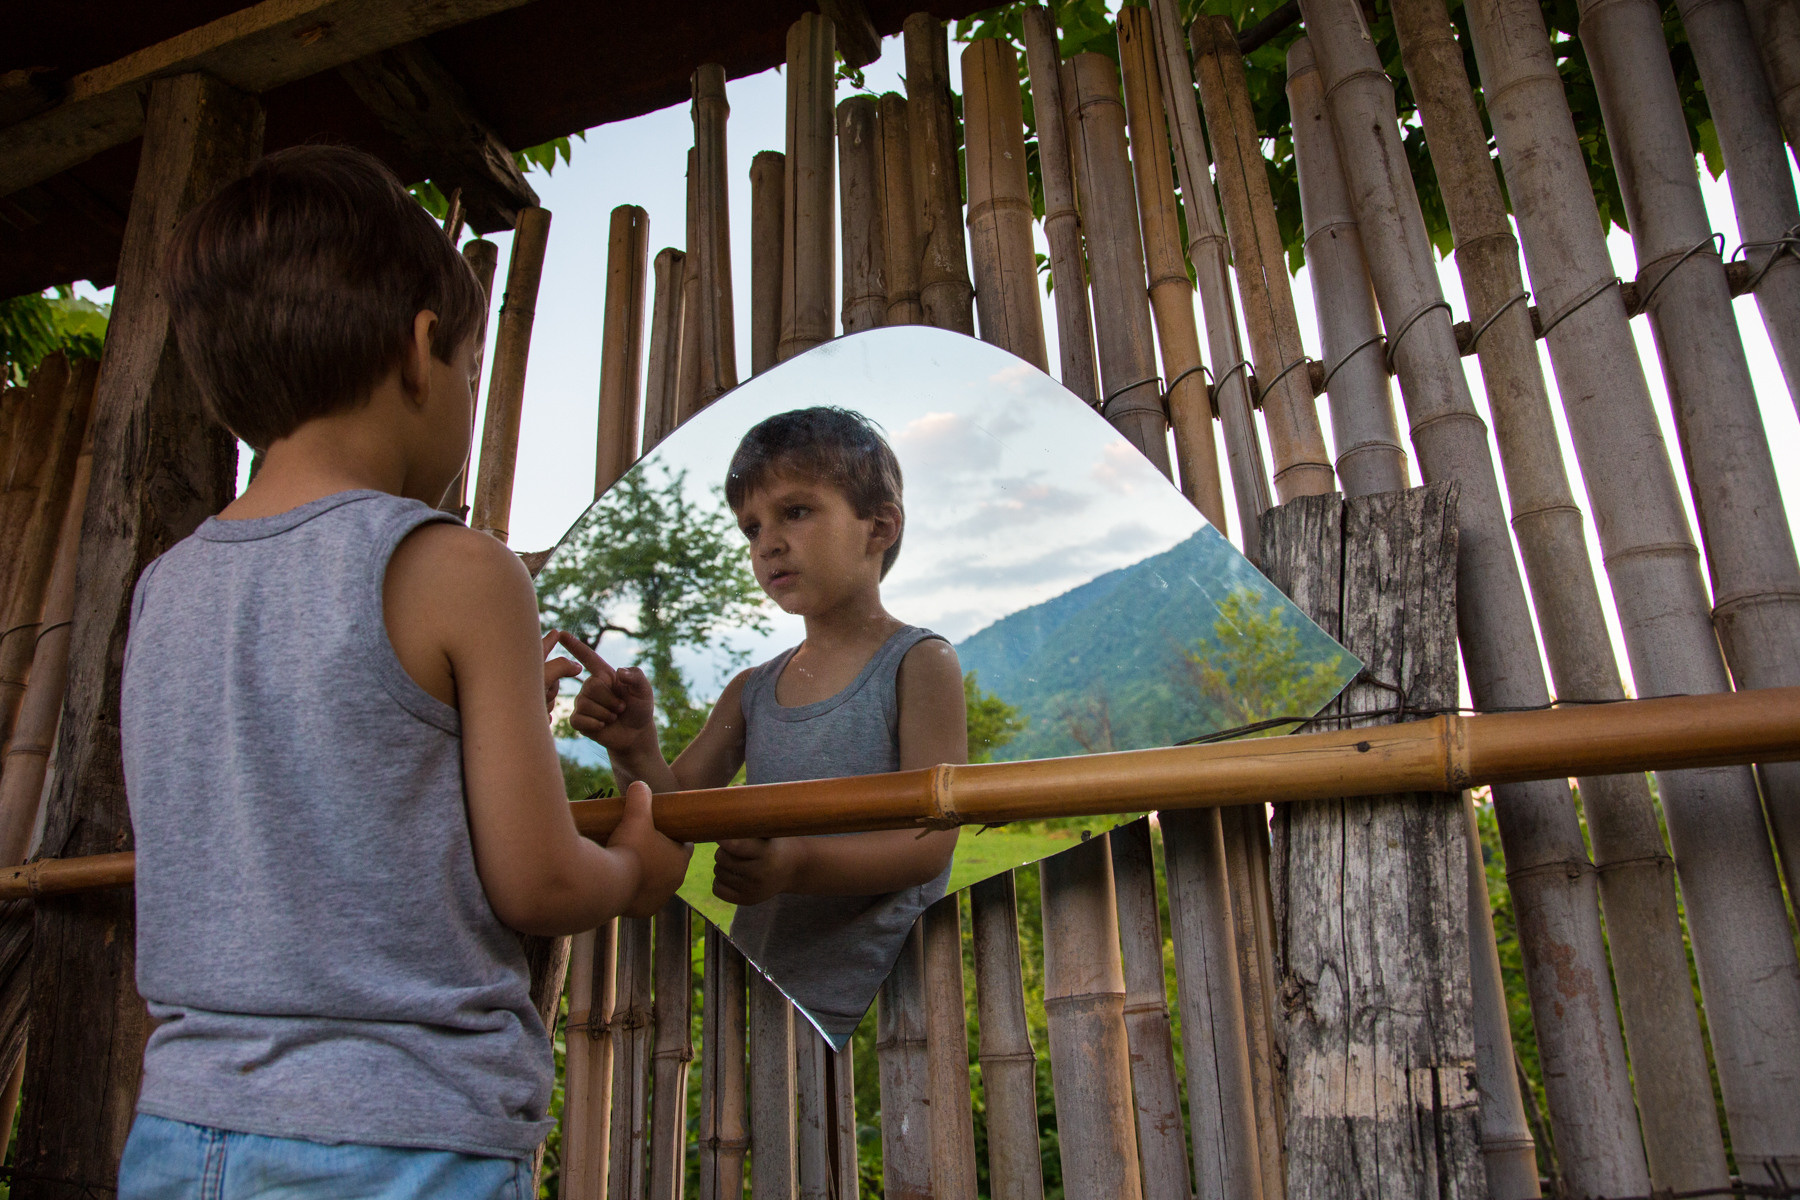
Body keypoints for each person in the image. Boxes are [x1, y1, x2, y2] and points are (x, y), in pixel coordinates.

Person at [119, 145, 689, 1199]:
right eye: (473, 368)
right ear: (423, 350)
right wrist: (639, 867)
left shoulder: (165, 587)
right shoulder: (456, 568)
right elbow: (539, 880)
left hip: (183, 1129)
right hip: (400, 1142)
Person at [569, 407, 965, 1041]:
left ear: (879, 525)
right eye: (751, 527)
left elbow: (931, 844)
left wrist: (795, 864)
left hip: (883, 1006)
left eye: (796, 512)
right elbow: (675, 815)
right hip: (764, 996)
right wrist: (634, 748)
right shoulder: (751, 691)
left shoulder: (919, 664)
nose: (767, 543)